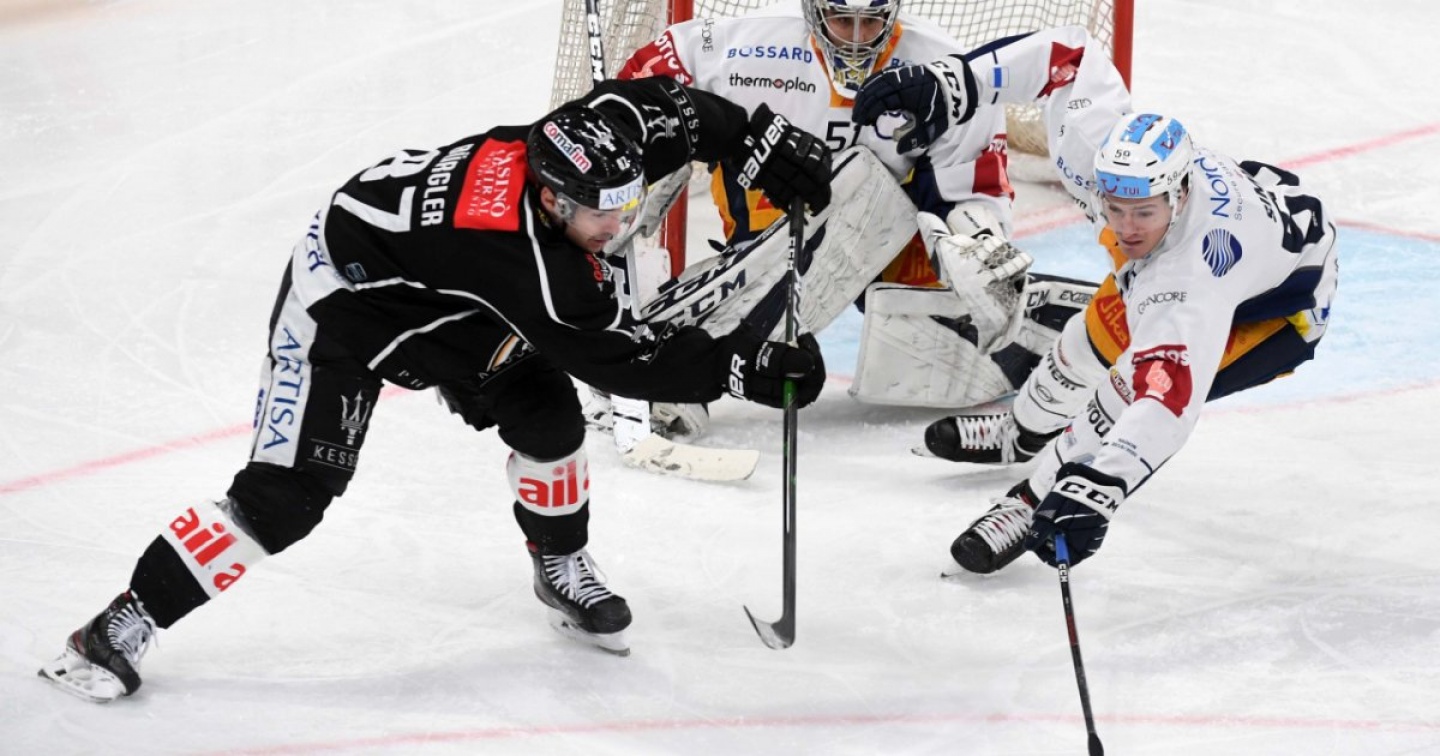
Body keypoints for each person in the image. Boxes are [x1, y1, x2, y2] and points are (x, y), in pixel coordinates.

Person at [37, 76, 833, 702]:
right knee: (286, 497)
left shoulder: (598, 136)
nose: (618, 228)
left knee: (549, 421)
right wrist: (739, 366)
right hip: (345, 306)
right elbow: (621, 360)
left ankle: (559, 565)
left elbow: (674, 112)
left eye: (625, 206)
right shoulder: (535, 269)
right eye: (602, 216)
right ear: (551, 198)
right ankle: (118, 624)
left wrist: (753, 137)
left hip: (451, 294)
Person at [606, 0, 1131, 438]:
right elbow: (641, 83)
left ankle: (1091, 338)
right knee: (846, 195)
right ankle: (691, 350)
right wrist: (648, 153)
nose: (858, 40)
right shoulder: (738, 47)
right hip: (767, 234)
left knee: (955, 324)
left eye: (872, 21)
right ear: (813, 11)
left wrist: (976, 242)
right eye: (842, 20)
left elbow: (973, 186)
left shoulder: (940, 63)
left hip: (888, 241)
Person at [933, 110, 1338, 574]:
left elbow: (1166, 401)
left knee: (1124, 390)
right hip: (1220, 246)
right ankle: (1021, 431)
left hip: (1276, 316)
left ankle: (1029, 502)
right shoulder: (1118, 175)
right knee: (1084, 344)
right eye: (1116, 209)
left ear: (1179, 194)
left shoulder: (1190, 279)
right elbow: (1075, 77)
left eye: (1143, 212)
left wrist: (1101, 486)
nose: (1126, 229)